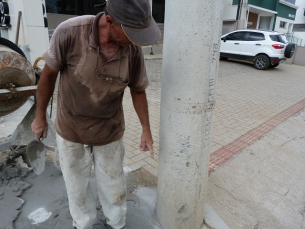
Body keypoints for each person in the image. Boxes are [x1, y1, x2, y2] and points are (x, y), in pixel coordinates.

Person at [31, 0, 161, 228]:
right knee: (77, 186)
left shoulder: (132, 50)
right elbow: (48, 76)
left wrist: (146, 129)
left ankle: (117, 223)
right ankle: (83, 223)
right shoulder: (69, 33)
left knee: (114, 186)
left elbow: (138, 89)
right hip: (71, 128)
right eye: (131, 33)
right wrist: (40, 116)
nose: (135, 41)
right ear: (110, 21)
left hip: (109, 130)